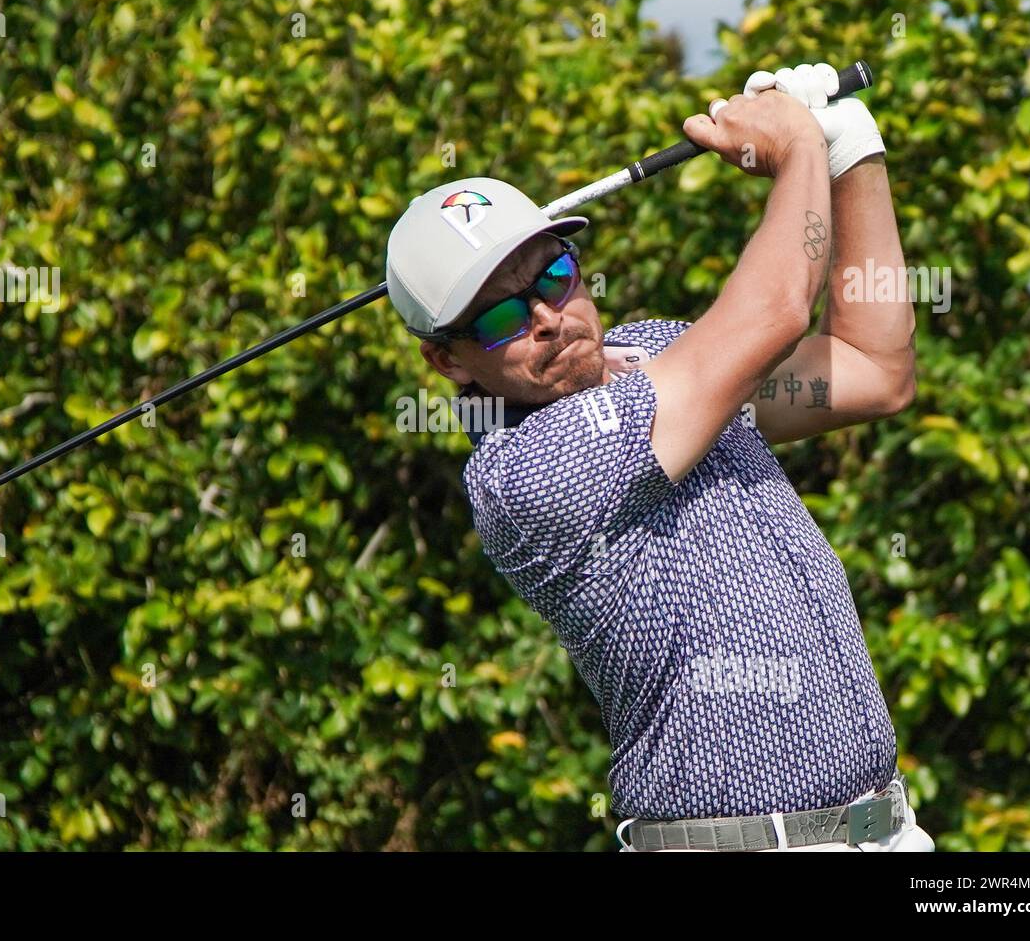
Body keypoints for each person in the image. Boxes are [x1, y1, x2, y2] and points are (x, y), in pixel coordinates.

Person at [384, 62, 931, 851]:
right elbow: (775, 308)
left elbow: (873, 369)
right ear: (450, 362)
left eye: (555, 276)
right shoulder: (525, 473)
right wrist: (797, 150)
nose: (548, 317)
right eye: (502, 314)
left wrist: (852, 153)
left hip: (889, 830)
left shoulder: (659, 351)